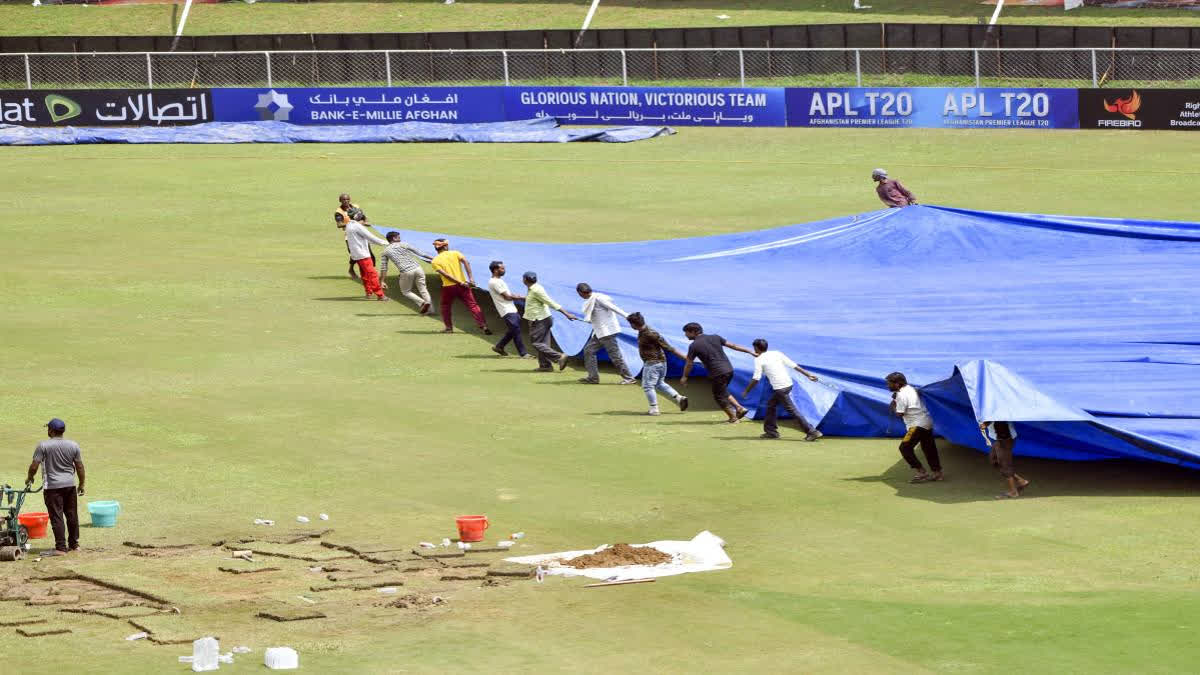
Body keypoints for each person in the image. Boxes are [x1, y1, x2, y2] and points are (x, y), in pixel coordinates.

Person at [741, 339, 823, 441]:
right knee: (771, 404)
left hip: (780, 389)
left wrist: (746, 391)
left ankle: (812, 431)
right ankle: (771, 432)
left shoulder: (759, 360)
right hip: (788, 384)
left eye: (754, 347)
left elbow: (756, 378)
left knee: (792, 411)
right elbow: (793, 365)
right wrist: (808, 375)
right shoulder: (776, 353)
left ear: (756, 348)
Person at [25, 418, 85, 556]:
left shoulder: (43, 446)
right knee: (72, 515)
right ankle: (74, 545)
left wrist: (30, 478)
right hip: (70, 485)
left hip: (52, 487)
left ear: (51, 430)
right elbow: (80, 466)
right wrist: (81, 484)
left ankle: (60, 548)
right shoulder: (73, 445)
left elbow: (34, 465)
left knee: (56, 516)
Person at [679, 322, 754, 423]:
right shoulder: (715, 337)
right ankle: (739, 408)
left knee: (718, 396)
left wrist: (684, 376)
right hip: (729, 369)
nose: (685, 335)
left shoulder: (694, 345)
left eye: (686, 332)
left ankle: (733, 418)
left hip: (717, 372)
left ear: (693, 332)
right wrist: (749, 351)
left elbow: (689, 363)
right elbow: (733, 345)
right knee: (722, 391)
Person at [574, 283, 637, 385]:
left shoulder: (599, 299)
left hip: (607, 332)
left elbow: (613, 307)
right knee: (589, 351)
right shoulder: (593, 299)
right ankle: (593, 378)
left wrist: (627, 315)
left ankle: (629, 378)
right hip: (600, 332)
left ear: (580, 293)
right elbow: (593, 317)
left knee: (615, 356)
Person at [627, 312, 688, 416]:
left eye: (630, 324)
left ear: (634, 324)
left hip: (653, 363)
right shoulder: (644, 331)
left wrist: (687, 359)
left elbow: (668, 347)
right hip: (660, 363)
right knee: (659, 384)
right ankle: (679, 398)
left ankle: (654, 409)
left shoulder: (650, 333)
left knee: (647, 386)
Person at [886, 372, 943, 483]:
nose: (888, 386)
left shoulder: (901, 395)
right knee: (929, 448)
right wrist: (896, 398)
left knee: (905, 448)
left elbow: (900, 414)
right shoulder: (911, 389)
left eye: (889, 383)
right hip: (927, 422)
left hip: (917, 425)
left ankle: (922, 473)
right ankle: (937, 473)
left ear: (897, 384)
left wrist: (893, 405)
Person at [430, 239, 490, 335]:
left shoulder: (435, 261)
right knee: (473, 305)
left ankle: (449, 328)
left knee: (445, 307)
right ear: (445, 246)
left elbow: (446, 275)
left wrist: (459, 282)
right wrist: (470, 278)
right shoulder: (455, 253)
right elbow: (466, 262)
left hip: (448, 287)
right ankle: (483, 325)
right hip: (463, 286)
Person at [521, 271, 577, 371]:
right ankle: (545, 366)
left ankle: (559, 357)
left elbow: (550, 302)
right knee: (544, 344)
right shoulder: (534, 288)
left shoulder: (536, 290)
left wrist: (566, 313)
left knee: (536, 343)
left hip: (540, 320)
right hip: (543, 319)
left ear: (525, 280)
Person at [378, 231, 433, 314]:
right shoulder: (404, 244)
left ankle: (422, 303)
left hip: (406, 272)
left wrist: (382, 281)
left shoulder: (385, 251)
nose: (400, 239)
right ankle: (430, 308)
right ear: (394, 238)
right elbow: (421, 253)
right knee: (423, 289)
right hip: (418, 268)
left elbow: (384, 268)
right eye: (398, 237)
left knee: (406, 291)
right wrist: (433, 258)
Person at [487, 261, 530, 358]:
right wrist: (523, 298)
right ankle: (523, 353)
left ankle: (499, 346)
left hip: (510, 309)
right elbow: (507, 297)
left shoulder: (499, 281)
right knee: (516, 331)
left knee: (513, 330)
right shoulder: (494, 282)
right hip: (506, 310)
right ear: (495, 270)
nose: (504, 270)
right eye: (502, 268)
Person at [340, 212, 387, 301]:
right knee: (372, 274)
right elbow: (371, 237)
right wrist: (386, 243)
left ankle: (368, 292)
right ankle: (380, 295)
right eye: (364, 220)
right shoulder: (358, 226)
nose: (365, 223)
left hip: (356, 254)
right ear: (360, 219)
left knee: (365, 274)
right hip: (362, 254)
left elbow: (365, 239)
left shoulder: (349, 225)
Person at [981, 421, 1029, 499]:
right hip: (998, 438)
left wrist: (986, 423)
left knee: (1004, 465)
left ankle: (1014, 492)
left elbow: (1000, 418)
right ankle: (1021, 481)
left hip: (1005, 438)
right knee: (994, 460)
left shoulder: (998, 411)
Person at [336, 193, 374, 279]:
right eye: (343, 200)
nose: (346, 201)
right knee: (355, 254)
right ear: (340, 201)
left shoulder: (355, 207)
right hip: (350, 236)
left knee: (368, 253)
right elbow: (339, 224)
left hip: (361, 234)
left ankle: (369, 272)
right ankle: (351, 270)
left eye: (347, 199)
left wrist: (365, 222)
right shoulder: (339, 212)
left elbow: (364, 217)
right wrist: (352, 223)